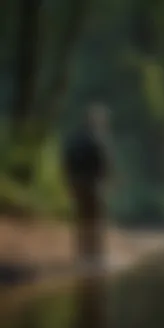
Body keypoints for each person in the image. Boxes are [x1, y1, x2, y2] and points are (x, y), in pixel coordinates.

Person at [62, 102, 113, 267]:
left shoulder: (74, 139)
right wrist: (106, 180)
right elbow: (103, 164)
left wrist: (69, 181)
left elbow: (66, 162)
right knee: (95, 219)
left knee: (82, 219)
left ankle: (83, 255)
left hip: (77, 184)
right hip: (93, 185)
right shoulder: (97, 139)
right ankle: (96, 255)